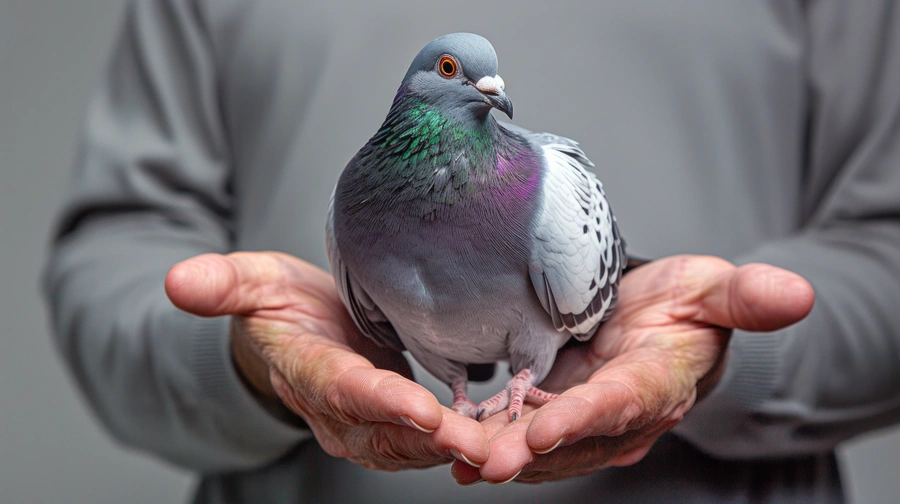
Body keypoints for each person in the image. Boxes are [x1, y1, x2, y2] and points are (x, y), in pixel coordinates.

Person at [43, 1, 900, 502]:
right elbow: (113, 248)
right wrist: (238, 359)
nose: (491, 88)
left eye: (487, 79)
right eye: (458, 74)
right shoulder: (350, 212)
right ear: (427, 82)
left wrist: (734, 355)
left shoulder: (552, 188)